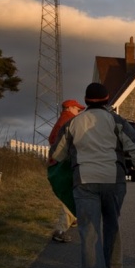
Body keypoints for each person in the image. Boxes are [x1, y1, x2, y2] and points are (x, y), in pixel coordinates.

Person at [50, 83, 135, 268]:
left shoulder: (73, 123)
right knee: (112, 223)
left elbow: (58, 154)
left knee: (89, 232)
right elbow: (134, 148)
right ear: (107, 99)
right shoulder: (117, 121)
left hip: (84, 182)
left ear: (85, 101)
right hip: (113, 180)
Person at [48, 99, 85, 243]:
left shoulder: (61, 120)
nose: (79, 112)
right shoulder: (69, 121)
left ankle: (73, 219)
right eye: (77, 109)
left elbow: (52, 139)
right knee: (71, 194)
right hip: (66, 163)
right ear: (69, 108)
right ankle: (60, 230)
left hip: (59, 163)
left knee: (70, 192)